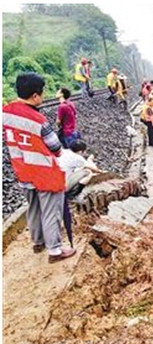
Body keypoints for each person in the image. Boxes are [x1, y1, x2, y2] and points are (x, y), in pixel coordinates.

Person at [3, 72, 76, 263]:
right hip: (44, 172)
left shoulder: (6, 113)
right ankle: (55, 250)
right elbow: (55, 147)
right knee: (51, 210)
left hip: (23, 170)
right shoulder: (38, 120)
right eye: (42, 94)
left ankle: (38, 242)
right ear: (35, 96)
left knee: (33, 208)